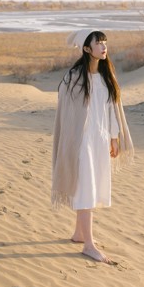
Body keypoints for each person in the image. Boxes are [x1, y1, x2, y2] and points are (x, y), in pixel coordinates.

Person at [51, 29, 134, 264]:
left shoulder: (106, 76)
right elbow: (68, 115)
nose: (104, 46)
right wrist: (74, 142)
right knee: (86, 188)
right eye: (99, 43)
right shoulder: (75, 77)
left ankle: (79, 234)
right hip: (81, 142)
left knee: (92, 186)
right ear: (87, 49)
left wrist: (114, 137)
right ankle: (89, 244)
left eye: (105, 42)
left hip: (99, 140)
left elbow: (111, 109)